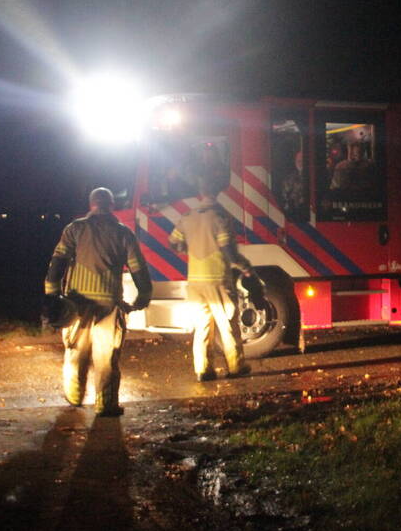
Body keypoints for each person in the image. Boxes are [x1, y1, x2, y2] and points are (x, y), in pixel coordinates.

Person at [43, 187, 152, 416]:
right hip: (109, 305)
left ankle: (74, 396)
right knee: (106, 358)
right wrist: (143, 296)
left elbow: (57, 262)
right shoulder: (124, 233)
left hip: (76, 305)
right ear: (111, 205)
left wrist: (52, 295)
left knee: (76, 352)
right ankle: (105, 405)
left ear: (91, 204)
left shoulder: (75, 229)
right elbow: (138, 269)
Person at [169, 175, 253, 382]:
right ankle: (235, 367)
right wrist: (245, 267)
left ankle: (204, 370)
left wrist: (187, 249)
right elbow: (228, 252)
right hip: (217, 280)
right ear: (218, 193)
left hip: (195, 281)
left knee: (202, 326)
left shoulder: (187, 216)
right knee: (227, 324)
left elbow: (174, 243)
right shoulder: (220, 216)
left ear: (200, 193)